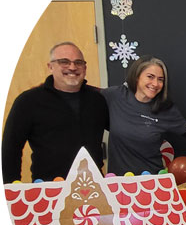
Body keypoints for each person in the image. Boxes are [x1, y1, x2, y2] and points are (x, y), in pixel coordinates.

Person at [2, 42, 108, 183]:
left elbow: (121, 129)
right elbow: (10, 149)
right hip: (48, 188)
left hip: (94, 184)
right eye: (64, 62)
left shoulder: (97, 99)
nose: (72, 67)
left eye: (78, 62)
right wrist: (11, 190)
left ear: (85, 67)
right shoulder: (28, 101)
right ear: (50, 66)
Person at [102, 55, 186, 176]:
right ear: (137, 76)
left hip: (151, 182)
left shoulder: (167, 109)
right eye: (150, 77)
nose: (155, 84)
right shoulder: (115, 96)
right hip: (118, 183)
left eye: (160, 79)